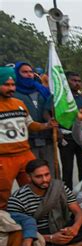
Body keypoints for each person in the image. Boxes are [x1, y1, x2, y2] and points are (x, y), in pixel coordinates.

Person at [7, 159, 82, 246]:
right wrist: (50, 238)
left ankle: (60, 245)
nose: (45, 180)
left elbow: (78, 212)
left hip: (61, 226)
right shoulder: (17, 199)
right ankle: (77, 245)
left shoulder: (59, 188)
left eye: (47, 174)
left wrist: (74, 228)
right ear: (29, 177)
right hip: (38, 233)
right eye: (39, 176)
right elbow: (17, 231)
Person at [0, 67, 56, 210]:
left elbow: (30, 124)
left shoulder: (19, 103)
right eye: (6, 85)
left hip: (25, 154)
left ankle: (36, 220)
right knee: (3, 195)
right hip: (4, 158)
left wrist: (46, 125)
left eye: (13, 85)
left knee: (35, 188)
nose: (11, 88)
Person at [13, 62, 56, 177]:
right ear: (17, 74)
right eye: (25, 72)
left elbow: (52, 109)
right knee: (33, 175)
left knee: (51, 172)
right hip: (27, 142)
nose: (29, 75)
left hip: (47, 139)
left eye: (31, 72)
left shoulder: (43, 91)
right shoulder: (13, 93)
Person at [59, 71, 82, 190]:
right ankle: (68, 197)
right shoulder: (60, 97)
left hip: (81, 137)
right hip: (66, 138)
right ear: (67, 81)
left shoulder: (81, 97)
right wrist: (56, 129)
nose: (77, 83)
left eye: (79, 81)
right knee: (67, 169)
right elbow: (47, 112)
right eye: (74, 80)